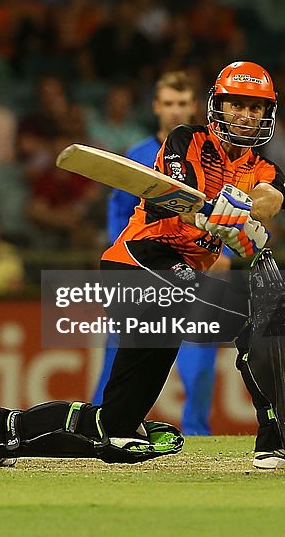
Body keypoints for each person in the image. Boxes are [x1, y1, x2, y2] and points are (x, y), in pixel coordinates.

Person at [0, 61, 285, 470]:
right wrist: (209, 214)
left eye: (256, 108)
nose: (246, 115)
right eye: (238, 105)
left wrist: (244, 209)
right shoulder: (186, 139)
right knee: (257, 318)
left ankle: (3, 430)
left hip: (178, 278)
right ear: (219, 106)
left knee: (116, 423)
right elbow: (174, 193)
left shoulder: (264, 168)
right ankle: (280, 441)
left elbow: (271, 198)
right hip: (141, 263)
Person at [96, 71, 222, 437]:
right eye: (168, 103)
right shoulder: (138, 155)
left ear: (195, 106)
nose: (175, 111)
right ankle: (103, 429)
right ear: (155, 107)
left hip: (191, 276)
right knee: (115, 364)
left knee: (197, 369)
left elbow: (228, 210)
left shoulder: (212, 155)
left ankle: (197, 436)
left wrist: (223, 251)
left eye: (182, 104)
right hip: (140, 270)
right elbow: (119, 214)